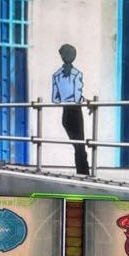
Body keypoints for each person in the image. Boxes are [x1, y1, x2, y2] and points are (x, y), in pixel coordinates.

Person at [51, 43, 90, 176]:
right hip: (75, 112)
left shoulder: (56, 75)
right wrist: (86, 101)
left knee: (77, 145)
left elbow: (55, 99)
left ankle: (81, 172)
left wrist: (65, 97)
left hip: (65, 113)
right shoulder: (77, 74)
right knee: (80, 146)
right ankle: (83, 173)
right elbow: (78, 98)